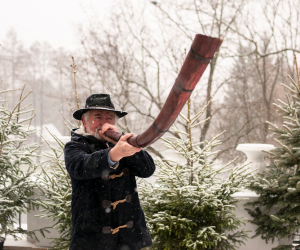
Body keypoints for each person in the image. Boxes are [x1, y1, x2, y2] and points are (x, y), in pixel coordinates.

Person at [64, 94, 155, 250]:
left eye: (109, 118)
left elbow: (147, 169)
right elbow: (81, 166)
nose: (104, 123)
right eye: (98, 117)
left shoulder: (121, 144)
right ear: (84, 122)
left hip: (128, 239)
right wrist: (114, 155)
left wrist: (122, 144)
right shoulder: (75, 146)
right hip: (92, 239)